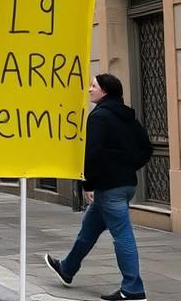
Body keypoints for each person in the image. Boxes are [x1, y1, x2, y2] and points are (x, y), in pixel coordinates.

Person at [44, 74, 150, 301]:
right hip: (126, 184)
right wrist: (127, 165)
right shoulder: (128, 116)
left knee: (123, 235)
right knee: (89, 229)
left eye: (94, 86)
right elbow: (146, 149)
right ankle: (67, 268)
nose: (89, 89)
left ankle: (133, 289)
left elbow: (92, 153)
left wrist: (88, 183)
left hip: (108, 187)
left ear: (105, 92)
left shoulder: (98, 117)